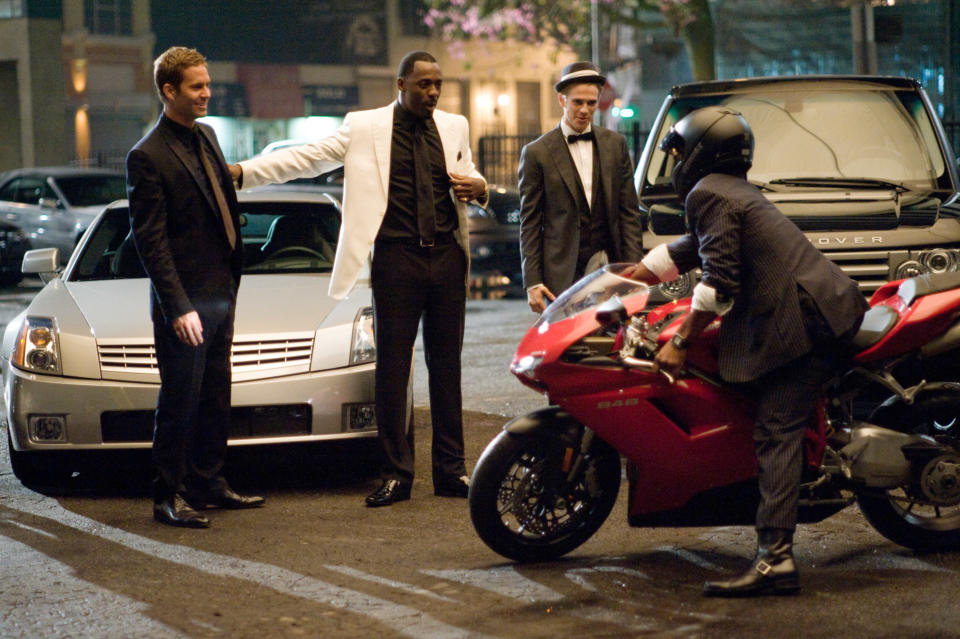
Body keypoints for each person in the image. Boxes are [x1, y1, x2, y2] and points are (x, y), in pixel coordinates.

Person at [229, 51, 488, 507]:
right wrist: (244, 174)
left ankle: (451, 471)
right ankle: (396, 475)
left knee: (447, 368)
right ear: (401, 84)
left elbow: (469, 175)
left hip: (447, 258)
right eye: (424, 84)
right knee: (392, 369)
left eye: (438, 85)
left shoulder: (454, 126)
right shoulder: (365, 126)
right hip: (396, 260)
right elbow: (306, 158)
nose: (432, 93)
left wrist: (481, 188)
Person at [631, 106, 867, 596]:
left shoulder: (709, 191)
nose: (676, 162)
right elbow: (700, 245)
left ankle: (776, 559)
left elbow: (719, 281)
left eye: (678, 152)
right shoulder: (730, 190)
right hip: (812, 307)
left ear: (699, 153)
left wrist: (679, 340)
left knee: (776, 429)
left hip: (807, 323)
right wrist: (639, 273)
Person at [126, 46, 265, 529]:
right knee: (180, 398)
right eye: (197, 86)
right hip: (184, 303)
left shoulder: (206, 135)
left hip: (221, 292)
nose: (207, 93)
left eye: (208, 84)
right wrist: (177, 307)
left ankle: (208, 482)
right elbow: (151, 242)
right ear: (169, 91)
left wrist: (230, 281)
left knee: (215, 393)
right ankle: (168, 495)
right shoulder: (146, 156)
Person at [518, 61, 644, 314]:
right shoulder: (537, 153)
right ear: (562, 100)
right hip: (560, 273)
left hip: (610, 266)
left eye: (592, 103)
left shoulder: (615, 144)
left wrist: (633, 268)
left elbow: (628, 212)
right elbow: (530, 222)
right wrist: (533, 281)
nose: (585, 110)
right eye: (578, 102)